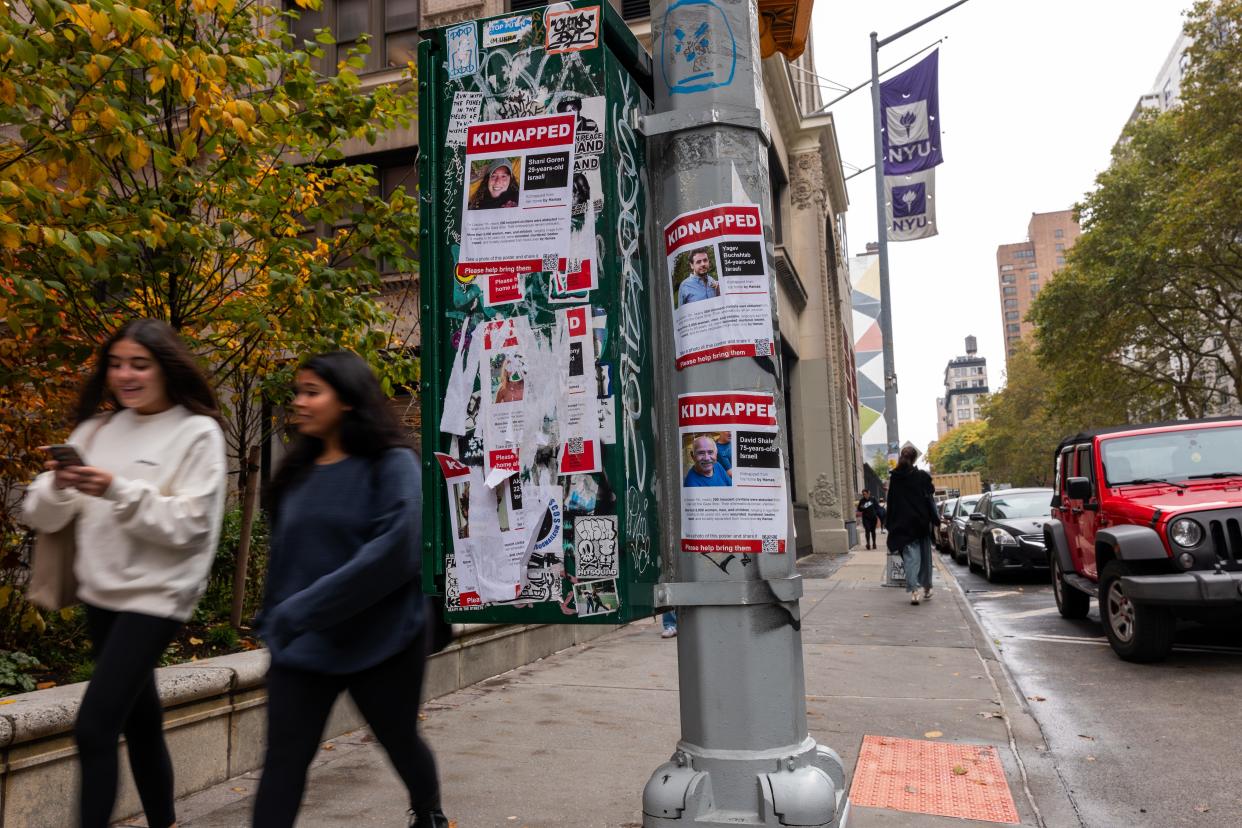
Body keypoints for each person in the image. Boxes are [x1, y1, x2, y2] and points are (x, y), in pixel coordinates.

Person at [22, 319, 227, 828]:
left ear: (166, 368)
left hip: (158, 599)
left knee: (94, 727)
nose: (125, 375)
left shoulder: (196, 431)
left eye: (140, 364)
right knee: (141, 722)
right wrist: (62, 486)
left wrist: (115, 488)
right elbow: (39, 517)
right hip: (100, 594)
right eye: (116, 364)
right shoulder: (95, 429)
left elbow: (192, 527)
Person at [253, 352, 447, 828]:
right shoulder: (297, 471)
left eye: (311, 392)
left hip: (381, 641)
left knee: (399, 739)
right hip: (304, 646)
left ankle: (429, 813)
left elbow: (397, 550)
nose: (298, 402)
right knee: (283, 763)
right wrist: (276, 617)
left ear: (347, 401)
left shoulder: (393, 463)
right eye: (297, 392)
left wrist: (301, 608)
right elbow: (287, 557)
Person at [885, 446, 936, 605]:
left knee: (910, 559)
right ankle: (927, 588)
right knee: (925, 558)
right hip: (921, 523)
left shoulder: (895, 477)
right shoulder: (921, 476)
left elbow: (891, 502)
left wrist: (890, 523)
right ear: (914, 459)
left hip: (903, 525)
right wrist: (935, 519)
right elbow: (930, 496)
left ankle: (914, 591)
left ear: (902, 457)